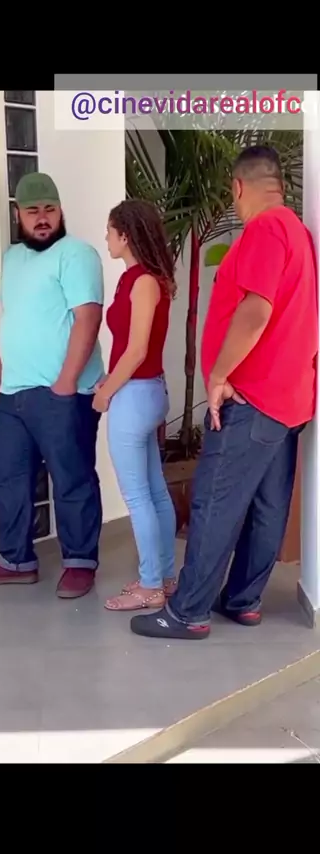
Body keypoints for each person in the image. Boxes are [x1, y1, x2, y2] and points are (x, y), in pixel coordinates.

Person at [130, 145, 318, 640]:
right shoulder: (298, 232)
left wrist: (217, 375)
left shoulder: (265, 229)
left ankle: (187, 612)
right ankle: (243, 600)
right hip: (288, 399)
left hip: (252, 397)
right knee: (267, 507)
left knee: (215, 502)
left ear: (238, 187)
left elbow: (256, 311)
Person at [0, 172, 104, 599]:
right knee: (4, 474)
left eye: (50, 209)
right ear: (18, 215)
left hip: (62, 393)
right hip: (13, 393)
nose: (42, 219)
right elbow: (14, 323)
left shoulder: (76, 254)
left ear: (60, 210)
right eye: (33, 211)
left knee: (71, 477)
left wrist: (66, 383)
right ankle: (15, 560)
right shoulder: (11, 259)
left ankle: (80, 562)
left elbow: (88, 318)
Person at [91, 199, 177, 611]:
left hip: (136, 396)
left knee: (139, 497)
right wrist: (110, 380)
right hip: (145, 392)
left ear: (125, 235)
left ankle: (151, 585)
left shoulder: (142, 282)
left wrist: (107, 391)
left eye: (110, 231)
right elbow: (130, 346)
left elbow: (138, 349)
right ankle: (163, 577)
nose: (106, 238)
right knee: (155, 491)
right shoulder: (139, 279)